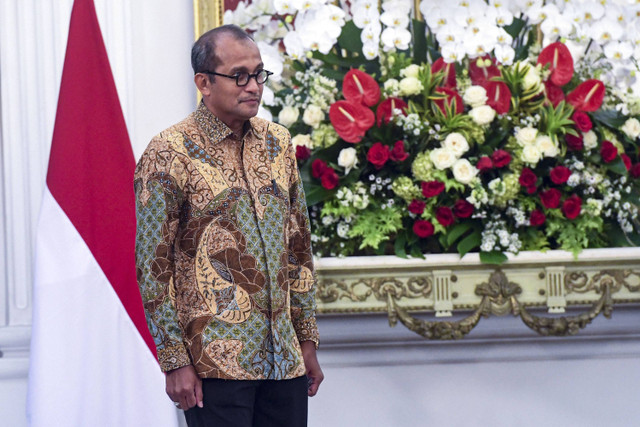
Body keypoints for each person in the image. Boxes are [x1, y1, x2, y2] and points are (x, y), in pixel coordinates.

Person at [134, 24, 323, 427]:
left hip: (284, 362)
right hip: (214, 366)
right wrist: (174, 361)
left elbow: (298, 247)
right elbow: (153, 268)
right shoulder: (169, 152)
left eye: (259, 74)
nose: (253, 85)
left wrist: (306, 340)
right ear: (203, 82)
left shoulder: (278, 143)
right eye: (239, 75)